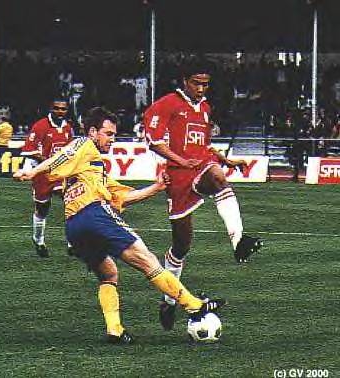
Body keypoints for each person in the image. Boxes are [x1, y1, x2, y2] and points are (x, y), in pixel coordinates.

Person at [14, 106, 226, 344]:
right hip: (94, 215)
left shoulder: (92, 169)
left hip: (73, 227)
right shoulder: (84, 144)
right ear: (93, 132)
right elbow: (62, 155)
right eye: (109, 133)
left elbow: (123, 198)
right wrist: (33, 172)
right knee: (148, 261)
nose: (112, 139)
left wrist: (155, 188)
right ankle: (195, 306)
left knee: (108, 274)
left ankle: (114, 330)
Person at [143, 58, 262, 331]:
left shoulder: (205, 108)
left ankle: (238, 240)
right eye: (197, 83)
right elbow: (154, 140)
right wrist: (179, 161)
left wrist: (226, 161)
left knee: (219, 178)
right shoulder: (167, 104)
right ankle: (169, 300)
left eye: (206, 84)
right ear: (184, 80)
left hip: (201, 169)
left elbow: (205, 146)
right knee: (181, 245)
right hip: (177, 178)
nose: (201, 88)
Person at [21, 98, 74, 257]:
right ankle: (39, 240)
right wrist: (36, 166)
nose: (60, 112)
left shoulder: (68, 128)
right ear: (51, 109)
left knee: (72, 203)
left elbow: (71, 150)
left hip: (60, 174)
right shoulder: (40, 126)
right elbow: (30, 150)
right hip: (42, 175)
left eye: (63, 109)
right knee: (42, 209)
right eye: (56, 108)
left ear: (67, 110)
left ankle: (72, 243)